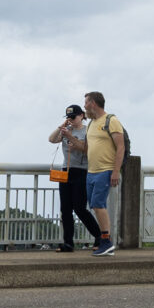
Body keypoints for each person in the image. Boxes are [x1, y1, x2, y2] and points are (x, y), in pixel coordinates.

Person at [47, 104, 104, 252]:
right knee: (65, 209)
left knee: (79, 208)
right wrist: (62, 127)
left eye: (73, 117)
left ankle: (99, 236)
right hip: (66, 171)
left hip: (81, 171)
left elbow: (87, 149)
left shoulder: (87, 131)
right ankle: (68, 243)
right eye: (68, 117)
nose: (71, 120)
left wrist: (70, 137)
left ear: (81, 116)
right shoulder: (67, 129)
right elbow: (52, 139)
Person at [81, 91, 124, 256]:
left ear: (93, 103)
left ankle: (106, 241)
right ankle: (106, 241)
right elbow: (88, 148)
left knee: (98, 204)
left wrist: (115, 171)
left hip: (105, 170)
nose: (84, 106)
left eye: (85, 103)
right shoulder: (91, 123)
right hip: (91, 172)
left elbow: (120, 147)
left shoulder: (111, 121)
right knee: (95, 205)